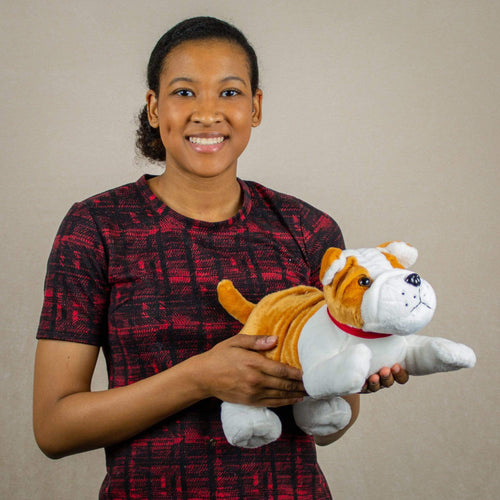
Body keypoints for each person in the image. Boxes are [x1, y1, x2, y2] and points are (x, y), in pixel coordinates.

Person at [33, 16, 408, 499]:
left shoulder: (309, 229)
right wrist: (199, 378)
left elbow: (329, 426)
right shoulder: (97, 228)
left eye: (229, 93)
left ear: (255, 107)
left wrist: (358, 371)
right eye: (185, 92)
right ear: (153, 107)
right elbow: (54, 428)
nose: (207, 113)